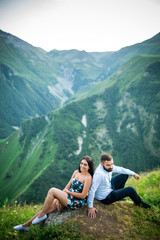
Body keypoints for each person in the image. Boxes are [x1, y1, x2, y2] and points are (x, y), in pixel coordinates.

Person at [13, 156, 94, 231]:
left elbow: (83, 195)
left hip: (75, 201)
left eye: (85, 165)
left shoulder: (88, 178)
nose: (82, 166)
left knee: (52, 190)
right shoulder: (76, 172)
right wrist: (60, 198)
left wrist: (68, 192)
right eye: (81, 163)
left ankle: (41, 216)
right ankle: (25, 225)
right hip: (67, 196)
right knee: (46, 208)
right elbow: (68, 185)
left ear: (89, 167)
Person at [88, 153, 151, 218]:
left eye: (112, 164)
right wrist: (90, 207)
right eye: (108, 165)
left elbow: (120, 169)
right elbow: (92, 190)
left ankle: (119, 196)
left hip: (109, 187)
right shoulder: (99, 174)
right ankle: (139, 203)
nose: (111, 166)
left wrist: (133, 174)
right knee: (130, 190)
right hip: (106, 197)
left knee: (124, 174)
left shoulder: (108, 166)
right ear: (102, 164)